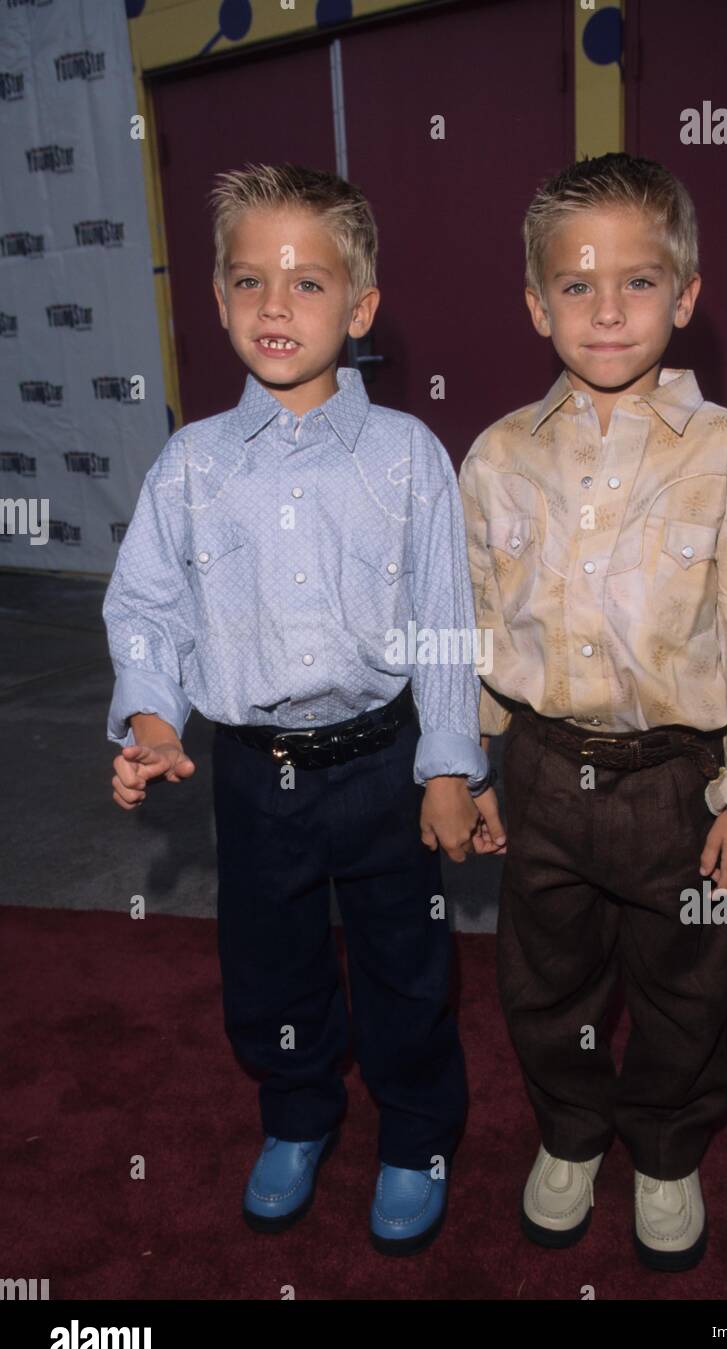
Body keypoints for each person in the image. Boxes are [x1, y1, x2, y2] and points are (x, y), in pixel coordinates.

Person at [103, 161, 498, 1257]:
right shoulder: (190, 467)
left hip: (384, 762)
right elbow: (147, 606)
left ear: (362, 309)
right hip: (252, 770)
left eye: (309, 282)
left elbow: (444, 623)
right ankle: (295, 1113)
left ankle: (417, 1133)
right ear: (219, 300)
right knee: (267, 963)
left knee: (404, 965)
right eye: (248, 280)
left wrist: (453, 766)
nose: (276, 305)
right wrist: (150, 717)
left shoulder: (409, 458)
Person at [459, 152, 727, 1270]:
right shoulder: (500, 456)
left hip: (675, 781)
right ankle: (568, 1130)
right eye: (576, 283)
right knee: (543, 976)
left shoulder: (723, 454)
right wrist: (464, 762)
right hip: (545, 774)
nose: (607, 308)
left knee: (688, 976)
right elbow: (479, 629)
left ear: (687, 295)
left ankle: (664, 1145)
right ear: (535, 301)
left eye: (640, 282)